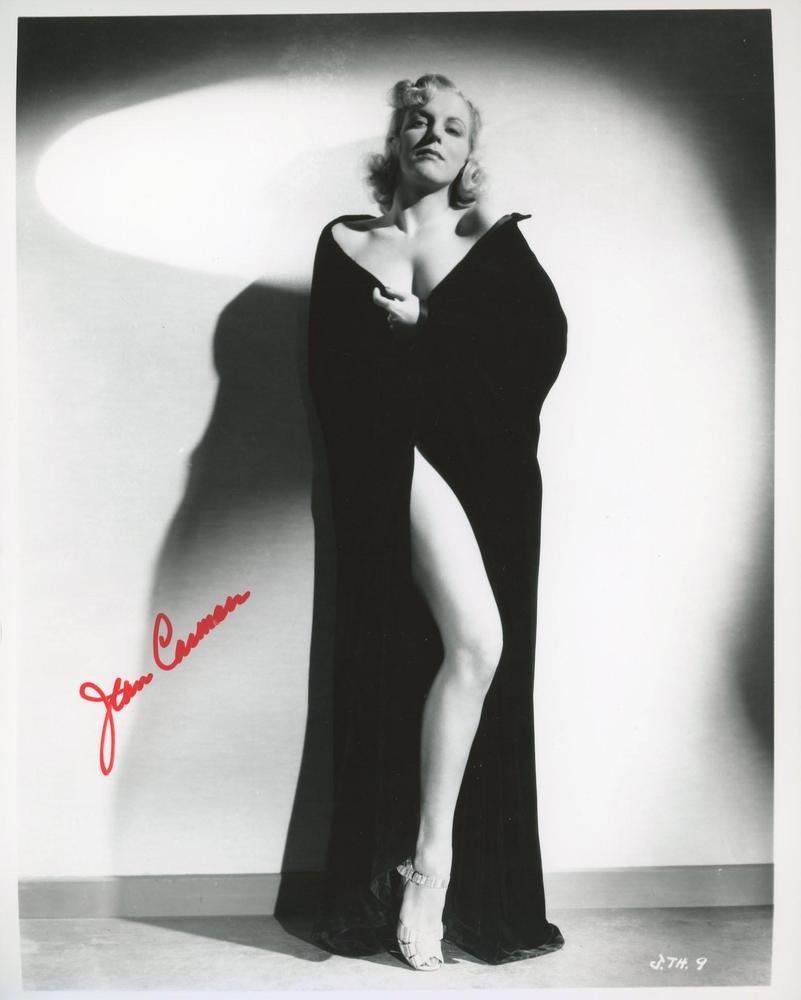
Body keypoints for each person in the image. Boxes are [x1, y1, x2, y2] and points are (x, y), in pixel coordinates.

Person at [307, 73, 567, 970]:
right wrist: (410, 346)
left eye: (454, 127)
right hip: (387, 458)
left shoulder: (491, 240)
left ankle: (432, 866)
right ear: (394, 139)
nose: (434, 134)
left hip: (486, 471)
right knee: (476, 641)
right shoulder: (346, 241)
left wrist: (430, 330)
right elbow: (333, 377)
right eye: (418, 119)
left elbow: (539, 352)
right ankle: (429, 869)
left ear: (468, 153)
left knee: (477, 652)